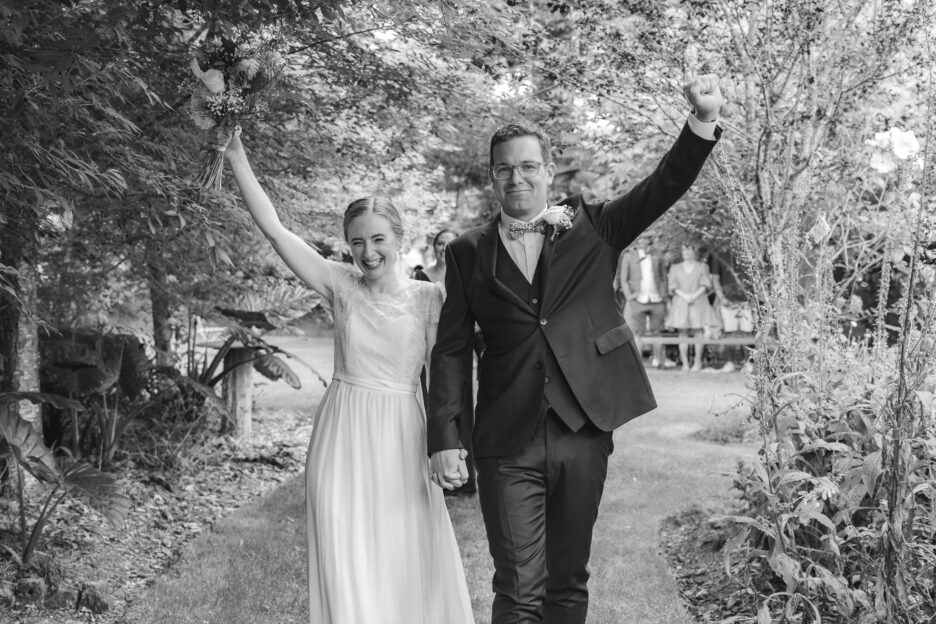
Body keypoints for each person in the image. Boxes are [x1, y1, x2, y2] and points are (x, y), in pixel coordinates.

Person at [427, 75, 723, 624]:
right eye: (504, 168)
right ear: (493, 176)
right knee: (517, 588)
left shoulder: (596, 226)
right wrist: (445, 437)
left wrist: (701, 120)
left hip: (582, 428)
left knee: (567, 583)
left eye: (527, 166)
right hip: (504, 439)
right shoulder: (468, 252)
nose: (516, 177)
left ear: (548, 169)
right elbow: (449, 350)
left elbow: (665, 184)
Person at [222, 131, 474, 624]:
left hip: (403, 432)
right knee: (341, 550)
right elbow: (274, 230)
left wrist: (454, 443)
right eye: (357, 241)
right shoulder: (338, 283)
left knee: (403, 554)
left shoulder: (431, 300)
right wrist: (235, 153)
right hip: (342, 431)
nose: (368, 251)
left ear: (399, 240)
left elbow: (449, 379)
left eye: (378, 239)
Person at [412, 228, 478, 496]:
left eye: (449, 243)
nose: (444, 247)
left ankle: (463, 476)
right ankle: (433, 470)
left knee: (463, 411)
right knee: (431, 409)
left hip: (457, 354)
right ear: (435, 246)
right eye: (440, 243)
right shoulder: (422, 277)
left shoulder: (468, 274)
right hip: (429, 353)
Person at [614, 233, 668, 368]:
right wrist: (628, 296)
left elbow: (664, 276)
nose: (644, 241)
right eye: (641, 238)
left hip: (656, 298)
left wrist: (664, 295)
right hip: (637, 299)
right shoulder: (629, 255)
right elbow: (623, 278)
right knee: (637, 332)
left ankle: (658, 361)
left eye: (646, 239)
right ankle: (638, 364)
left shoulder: (657, 254)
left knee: (657, 332)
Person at [668, 242, 718, 371]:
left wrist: (693, 296)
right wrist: (684, 296)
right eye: (684, 250)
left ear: (694, 252)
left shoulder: (702, 266)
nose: (686, 252)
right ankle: (684, 363)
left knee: (698, 332)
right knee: (682, 333)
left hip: (698, 301)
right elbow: (672, 286)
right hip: (680, 301)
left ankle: (697, 363)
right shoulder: (675, 267)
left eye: (689, 250)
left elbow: (706, 284)